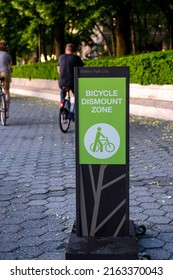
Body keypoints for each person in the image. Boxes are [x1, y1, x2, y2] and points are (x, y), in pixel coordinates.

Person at [0, 40, 12, 118]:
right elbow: (10, 67)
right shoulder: (8, 55)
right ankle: (6, 111)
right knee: (7, 92)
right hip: (5, 73)